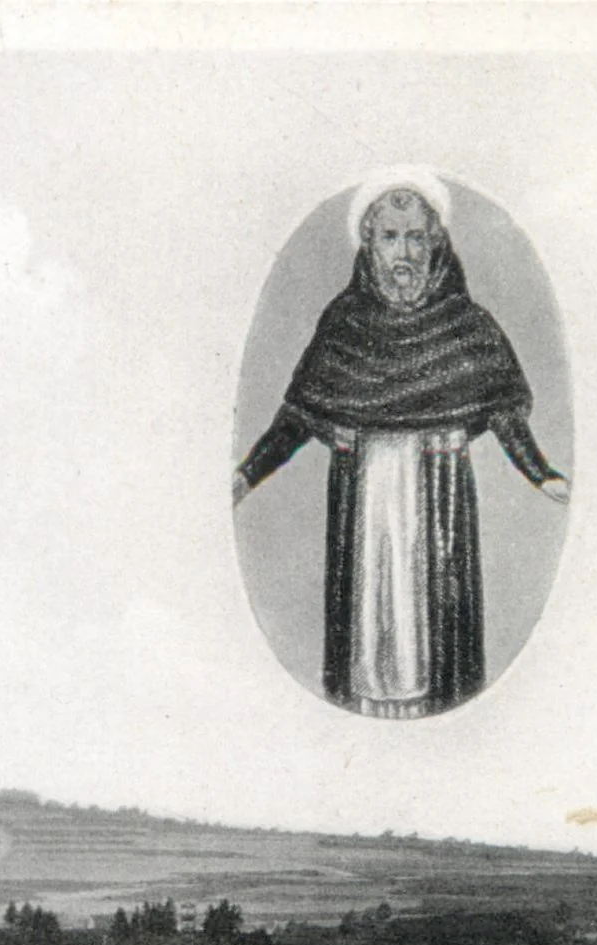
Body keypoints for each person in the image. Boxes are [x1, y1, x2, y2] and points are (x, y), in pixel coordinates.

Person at [235, 172, 568, 719]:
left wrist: (541, 473)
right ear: (370, 244)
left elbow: (503, 412)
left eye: (416, 236)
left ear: (436, 241)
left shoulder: (466, 325)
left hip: (436, 494)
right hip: (362, 493)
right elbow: (297, 418)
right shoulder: (343, 324)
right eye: (390, 237)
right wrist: (246, 475)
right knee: (365, 626)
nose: (403, 252)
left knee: (434, 630)